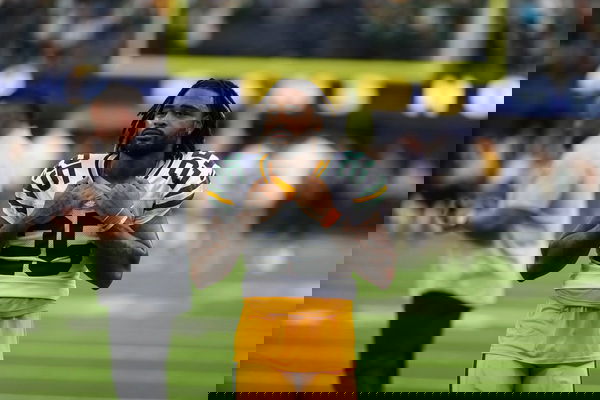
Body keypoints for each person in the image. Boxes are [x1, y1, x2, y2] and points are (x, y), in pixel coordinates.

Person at [0, 79, 237, 366]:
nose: (163, 120)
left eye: (186, 114)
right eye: (165, 111)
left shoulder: (186, 171)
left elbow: (109, 259)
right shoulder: (80, 166)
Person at [188, 79, 398, 393]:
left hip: (321, 309)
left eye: (294, 113)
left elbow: (378, 262)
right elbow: (207, 251)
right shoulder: (249, 165)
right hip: (267, 310)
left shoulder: (343, 168)